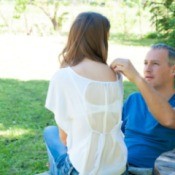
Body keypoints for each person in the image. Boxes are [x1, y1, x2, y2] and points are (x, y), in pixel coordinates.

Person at [43, 12, 127, 175]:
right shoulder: (116, 75)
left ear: (74, 37)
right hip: (119, 168)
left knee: (49, 132)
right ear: (102, 40)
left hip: (83, 170)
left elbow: (64, 138)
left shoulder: (64, 76)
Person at [110, 43, 175, 175]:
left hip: (151, 171)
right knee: (54, 134)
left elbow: (169, 120)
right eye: (145, 63)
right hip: (119, 167)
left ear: (173, 70)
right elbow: (111, 131)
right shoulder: (134, 99)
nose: (147, 69)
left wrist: (137, 78)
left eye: (155, 64)